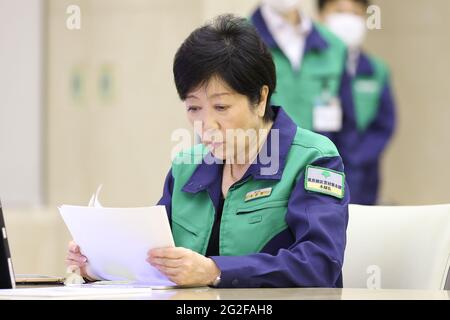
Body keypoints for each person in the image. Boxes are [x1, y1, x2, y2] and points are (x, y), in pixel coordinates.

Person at [66, 14, 349, 288]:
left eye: (221, 107)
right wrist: (97, 265)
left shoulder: (313, 159)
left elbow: (320, 263)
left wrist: (215, 271)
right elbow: (151, 258)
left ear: (260, 98)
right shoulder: (186, 167)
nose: (206, 126)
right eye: (193, 108)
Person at [250, 0, 357, 157]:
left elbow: (348, 127)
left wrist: (340, 172)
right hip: (260, 169)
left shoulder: (334, 46)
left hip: (320, 169)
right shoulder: (235, 43)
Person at [319, 0, 396, 205]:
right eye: (339, 11)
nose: (347, 19)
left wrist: (356, 158)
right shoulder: (311, 65)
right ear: (321, 16)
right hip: (317, 168)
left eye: (355, 12)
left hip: (362, 176)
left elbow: (384, 124)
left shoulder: (375, 69)